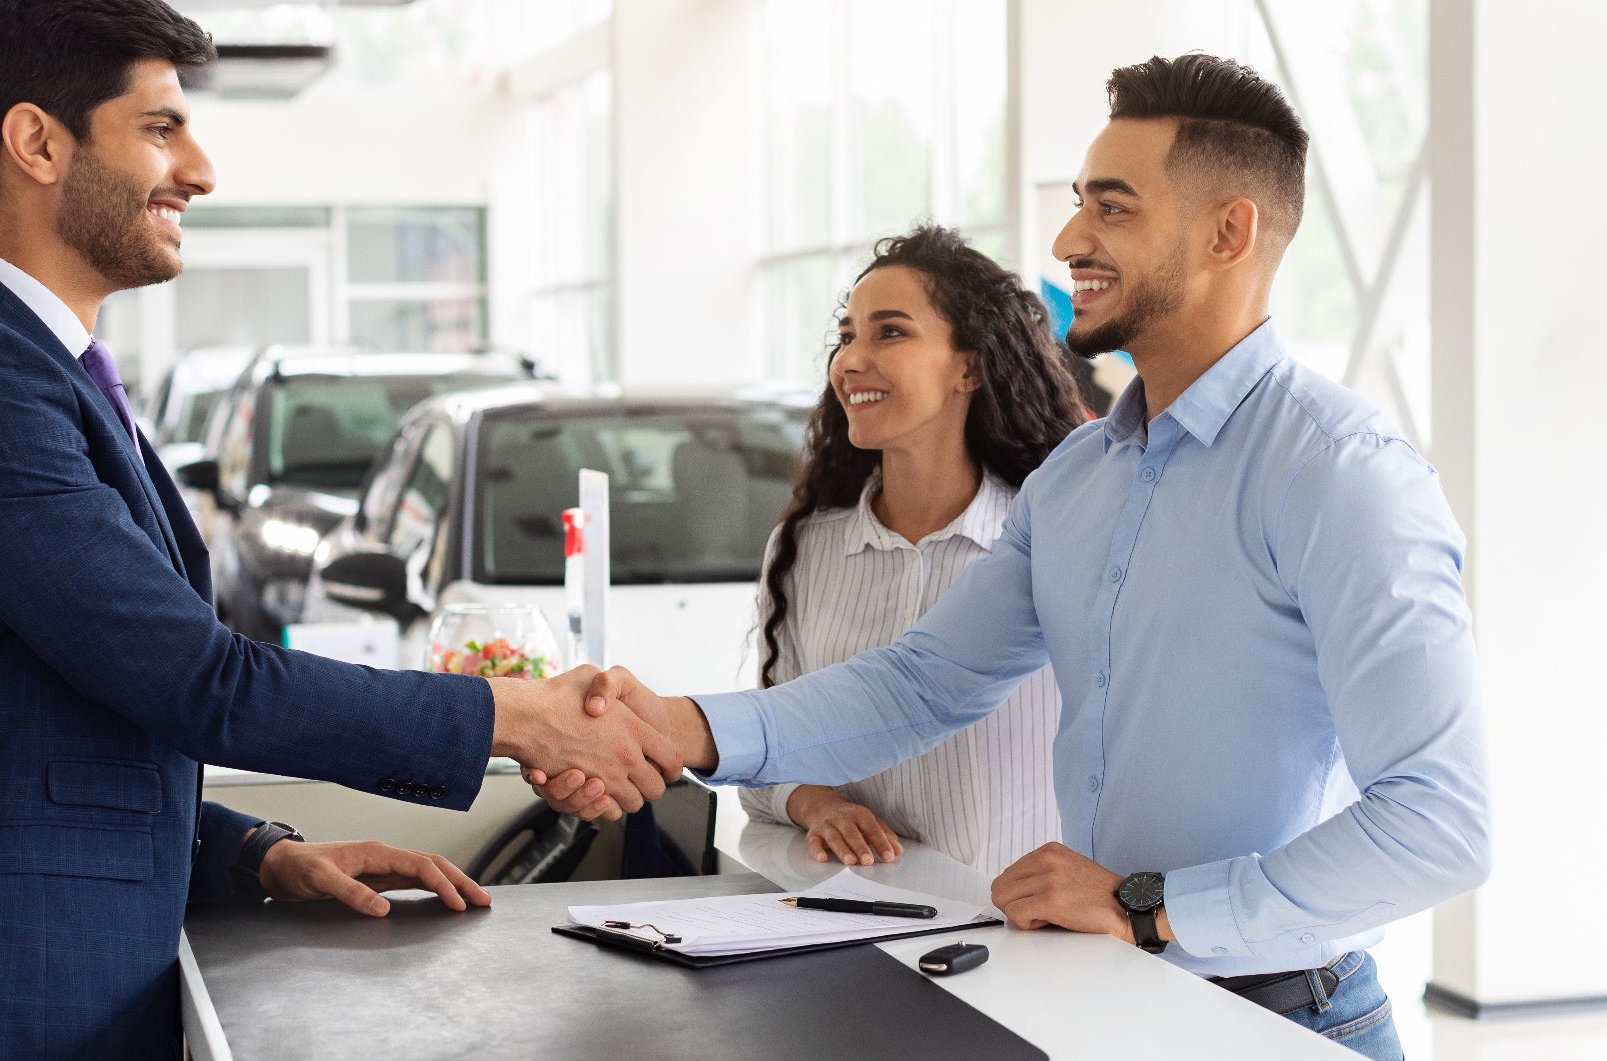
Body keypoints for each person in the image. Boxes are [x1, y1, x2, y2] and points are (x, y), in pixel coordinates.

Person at [535, 54, 1489, 1059]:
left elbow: (1439, 821)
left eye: (1112, 210)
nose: (1069, 240)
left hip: (1280, 1017)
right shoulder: (1081, 476)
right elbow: (924, 680)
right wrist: (681, 727)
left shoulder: (1339, 472)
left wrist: (1154, 906)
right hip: (1103, 994)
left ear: (1228, 231)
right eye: (1080, 203)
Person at [0, 2, 675, 1057]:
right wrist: (519, 715)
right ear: (36, 141)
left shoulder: (25, 367)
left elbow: (40, 729)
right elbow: (192, 678)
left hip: (49, 962)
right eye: (161, 127)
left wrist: (257, 851)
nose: (200, 170)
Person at [738, 225, 1083, 875]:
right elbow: (765, 754)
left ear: (970, 365)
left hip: (1028, 943)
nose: (850, 359)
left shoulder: (1058, 539)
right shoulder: (806, 547)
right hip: (857, 926)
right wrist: (817, 804)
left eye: (889, 332)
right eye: (846, 337)